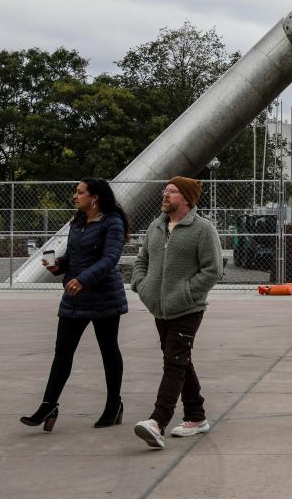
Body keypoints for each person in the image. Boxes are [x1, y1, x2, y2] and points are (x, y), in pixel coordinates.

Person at [20, 178, 130, 431]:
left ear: (95, 197)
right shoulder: (78, 222)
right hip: (75, 295)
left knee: (108, 350)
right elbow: (74, 255)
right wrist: (59, 265)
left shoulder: (112, 222)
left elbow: (110, 258)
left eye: (79, 192)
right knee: (62, 351)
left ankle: (114, 404)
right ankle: (48, 405)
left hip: (103, 296)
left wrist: (83, 279)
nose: (74, 196)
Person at [131, 176, 223, 448]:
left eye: (171, 192)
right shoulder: (156, 227)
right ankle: (196, 417)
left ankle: (157, 421)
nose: (165, 195)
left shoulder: (203, 229)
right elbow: (141, 260)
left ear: (186, 198)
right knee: (179, 359)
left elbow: (212, 270)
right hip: (160, 308)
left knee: (174, 361)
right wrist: (141, 286)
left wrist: (186, 293)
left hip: (188, 308)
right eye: (165, 191)